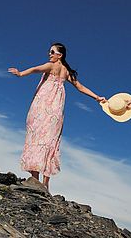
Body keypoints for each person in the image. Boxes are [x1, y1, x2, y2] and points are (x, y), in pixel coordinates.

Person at [8, 42, 107, 191]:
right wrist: (97, 97)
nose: (49, 54)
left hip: (42, 107)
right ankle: (45, 184)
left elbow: (36, 69)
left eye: (52, 52)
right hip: (56, 110)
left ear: (59, 55)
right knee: (51, 141)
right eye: (49, 52)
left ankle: (35, 181)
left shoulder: (52, 66)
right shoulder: (66, 72)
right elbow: (80, 87)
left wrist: (21, 74)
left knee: (35, 137)